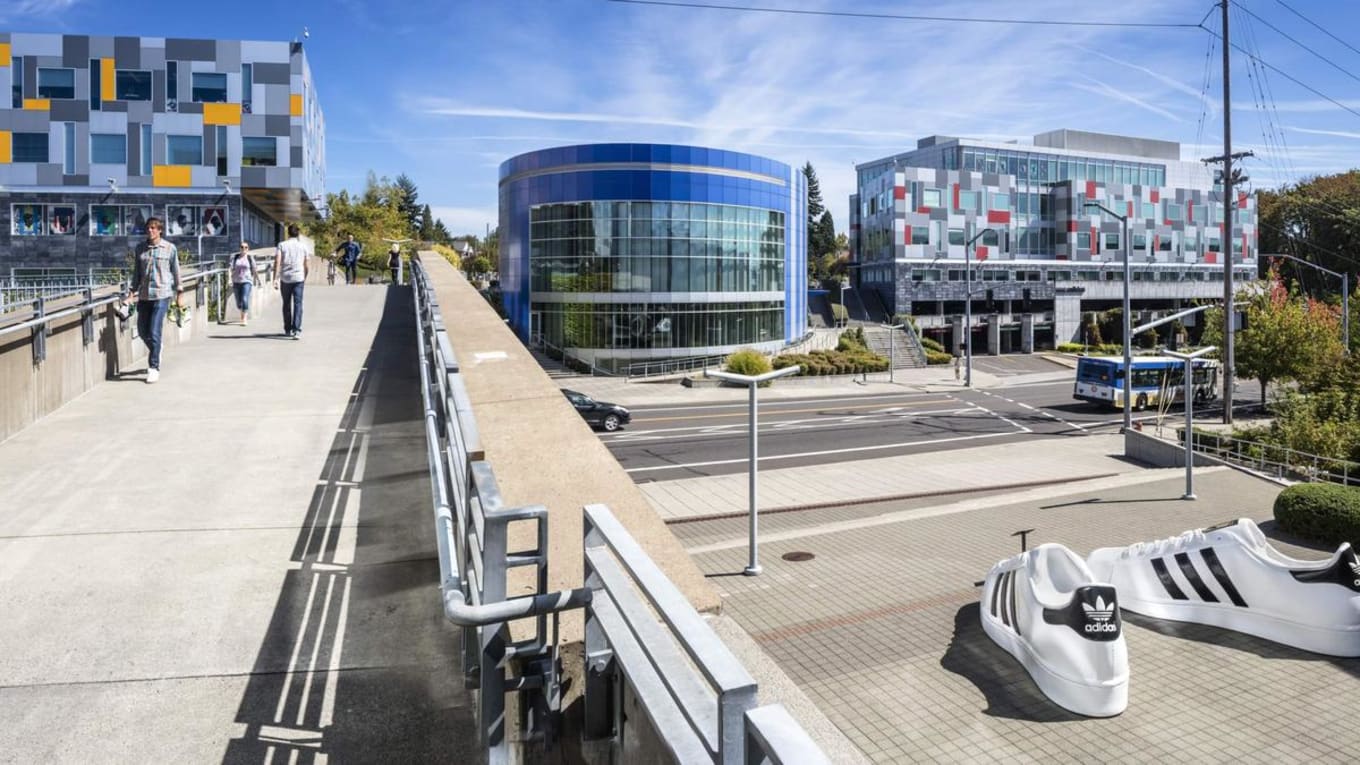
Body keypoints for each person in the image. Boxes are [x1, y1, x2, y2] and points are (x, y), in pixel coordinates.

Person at [125, 217, 182, 384]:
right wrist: (131, 293)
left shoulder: (170, 248)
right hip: (143, 295)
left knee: (154, 330)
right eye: (148, 228)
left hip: (162, 294)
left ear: (160, 230)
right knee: (143, 331)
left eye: (153, 228)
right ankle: (157, 348)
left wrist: (180, 292)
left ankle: (153, 367)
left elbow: (176, 271)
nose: (150, 231)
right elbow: (137, 273)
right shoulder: (140, 249)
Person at [273, 223, 311, 339]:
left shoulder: (282, 245)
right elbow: (307, 264)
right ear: (298, 233)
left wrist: (275, 278)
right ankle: (297, 330)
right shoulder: (303, 246)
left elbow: (277, 261)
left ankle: (288, 329)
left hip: (285, 278)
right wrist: (305, 276)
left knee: (286, 304)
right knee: (298, 303)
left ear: (288, 233)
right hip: (299, 278)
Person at [230, 241, 261, 325]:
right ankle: (242, 311)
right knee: (238, 303)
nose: (244, 249)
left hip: (247, 281)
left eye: (245, 247)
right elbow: (230, 269)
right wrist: (230, 279)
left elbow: (254, 269)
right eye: (242, 247)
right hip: (236, 281)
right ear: (239, 248)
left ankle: (244, 319)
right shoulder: (235, 257)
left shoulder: (250, 258)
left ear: (248, 249)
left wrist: (258, 280)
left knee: (244, 299)